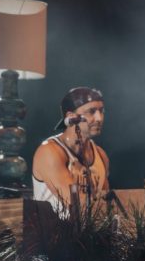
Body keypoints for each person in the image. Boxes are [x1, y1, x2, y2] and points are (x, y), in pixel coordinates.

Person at [31, 86, 109, 217]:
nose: (99, 118)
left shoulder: (101, 155)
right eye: (91, 111)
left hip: (91, 234)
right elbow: (77, 206)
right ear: (71, 116)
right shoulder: (50, 151)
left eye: (101, 111)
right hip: (54, 234)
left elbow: (107, 203)